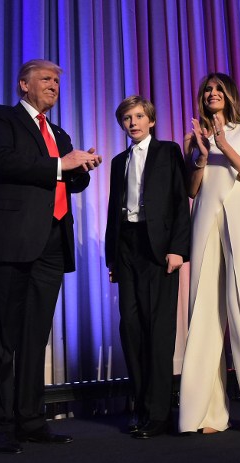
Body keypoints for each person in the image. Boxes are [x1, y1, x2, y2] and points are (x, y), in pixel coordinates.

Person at [0, 59, 101, 453]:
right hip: (7, 241)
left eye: (57, 80)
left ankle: (30, 419)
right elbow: (3, 162)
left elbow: (66, 181)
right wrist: (63, 164)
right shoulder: (0, 117)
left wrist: (81, 167)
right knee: (3, 338)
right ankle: (0, 424)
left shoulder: (59, 133)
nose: (54, 85)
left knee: (33, 338)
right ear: (23, 85)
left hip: (51, 244)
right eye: (46, 79)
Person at [178, 73, 240, 433]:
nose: (212, 94)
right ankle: (207, 413)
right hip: (205, 215)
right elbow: (192, 191)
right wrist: (203, 155)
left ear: (229, 95)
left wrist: (224, 142)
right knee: (203, 310)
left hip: (239, 213)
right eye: (207, 90)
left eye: (218, 89)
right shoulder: (194, 137)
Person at [104, 96, 190, 438]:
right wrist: (113, 257)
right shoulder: (117, 161)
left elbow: (179, 204)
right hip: (127, 247)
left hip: (160, 251)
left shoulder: (168, 152)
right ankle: (139, 407)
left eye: (139, 116)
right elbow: (113, 210)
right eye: (127, 118)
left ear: (151, 120)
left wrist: (178, 249)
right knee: (132, 329)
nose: (133, 122)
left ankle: (159, 413)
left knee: (159, 331)